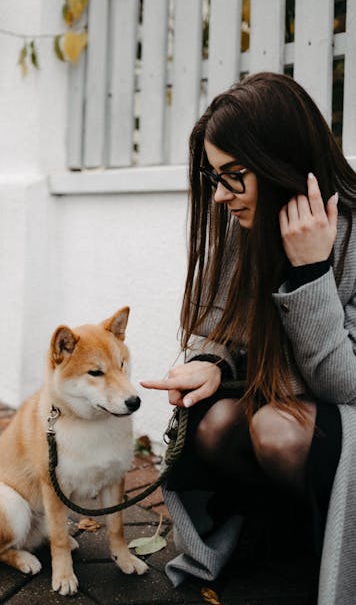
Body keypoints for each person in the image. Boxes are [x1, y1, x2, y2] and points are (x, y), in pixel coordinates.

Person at [141, 72, 356, 605]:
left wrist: (310, 274)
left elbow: (345, 385)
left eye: (234, 175)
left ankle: (325, 547)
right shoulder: (247, 227)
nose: (219, 196)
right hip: (293, 407)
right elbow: (215, 325)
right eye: (216, 177)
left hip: (341, 414)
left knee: (277, 431)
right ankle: (276, 533)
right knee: (213, 424)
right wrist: (210, 360)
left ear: (279, 161)